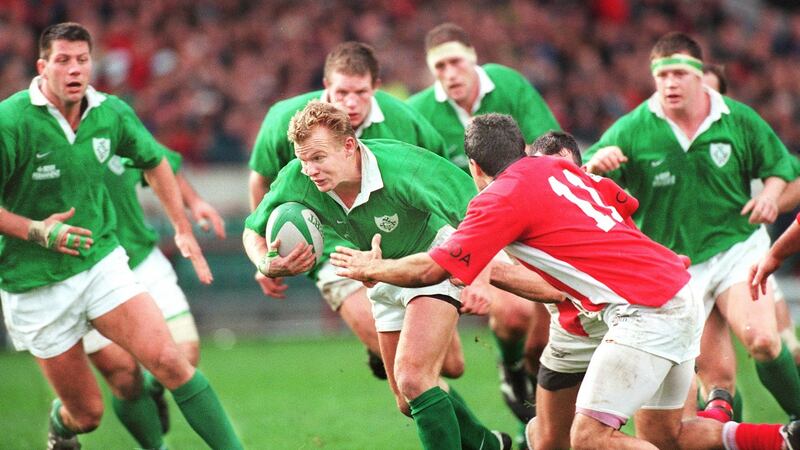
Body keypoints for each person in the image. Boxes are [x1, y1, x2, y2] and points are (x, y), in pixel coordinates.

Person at [332, 113, 800, 450]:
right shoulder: (556, 167)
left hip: (641, 312)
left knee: (589, 436)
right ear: (520, 148)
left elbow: (434, 269)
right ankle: (783, 439)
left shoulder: (498, 199)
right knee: (664, 434)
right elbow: (623, 204)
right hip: (673, 292)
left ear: (475, 168)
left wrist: (371, 269)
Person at [0, 22, 241, 449]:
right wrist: (38, 231)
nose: (74, 69)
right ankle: (63, 422)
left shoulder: (110, 112)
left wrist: (182, 229)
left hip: (100, 262)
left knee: (171, 361)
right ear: (42, 67)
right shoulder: (12, 121)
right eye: (62, 60)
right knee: (87, 414)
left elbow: (156, 161)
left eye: (81, 60)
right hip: (34, 283)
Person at [243, 101, 520, 450]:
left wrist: (479, 275)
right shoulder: (298, 179)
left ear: (348, 146)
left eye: (318, 157)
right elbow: (252, 231)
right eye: (303, 159)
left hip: (432, 260)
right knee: (407, 401)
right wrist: (267, 264)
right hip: (381, 274)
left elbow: (480, 213)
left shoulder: (404, 166)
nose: (309, 169)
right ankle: (488, 445)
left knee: (414, 378)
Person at [584, 31, 800, 421]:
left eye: (679, 74)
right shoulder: (633, 128)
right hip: (677, 268)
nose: (670, 83)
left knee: (764, 340)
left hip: (736, 249)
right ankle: (732, 438)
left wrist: (770, 194)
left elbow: (781, 169)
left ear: (699, 76)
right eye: (662, 76)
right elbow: (583, 179)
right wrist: (596, 167)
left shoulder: (738, 119)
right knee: (714, 380)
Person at [247, 41, 459, 380]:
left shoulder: (404, 120)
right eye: (341, 91)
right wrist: (265, 254)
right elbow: (261, 185)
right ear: (326, 87)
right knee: (407, 369)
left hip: (403, 243)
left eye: (360, 92)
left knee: (452, 365)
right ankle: (474, 435)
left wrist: (457, 254)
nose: (350, 102)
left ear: (376, 86)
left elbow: (439, 178)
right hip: (334, 247)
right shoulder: (286, 120)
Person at [407, 22, 561, 423]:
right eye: (439, 67)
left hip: (530, 220)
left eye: (456, 61)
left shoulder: (508, 85)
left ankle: (534, 393)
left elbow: (547, 150)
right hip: (474, 229)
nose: (450, 73)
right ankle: (511, 373)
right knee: (513, 316)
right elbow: (419, 179)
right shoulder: (421, 112)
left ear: (473, 56)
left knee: (543, 343)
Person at [80, 147, 226, 448]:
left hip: (142, 259)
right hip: (86, 273)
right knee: (123, 377)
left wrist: (195, 202)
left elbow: (162, 165)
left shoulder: (114, 123)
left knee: (185, 356)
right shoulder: (37, 132)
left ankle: (153, 391)